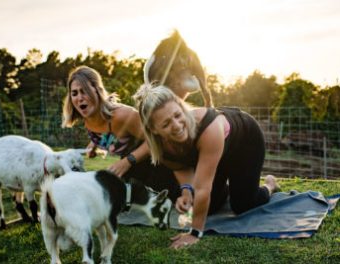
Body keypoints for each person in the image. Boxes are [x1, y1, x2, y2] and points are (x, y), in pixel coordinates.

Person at [133, 84, 279, 249]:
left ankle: (270, 185)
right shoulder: (160, 146)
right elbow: (181, 167)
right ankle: (227, 186)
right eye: (166, 124)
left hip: (245, 142)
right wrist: (187, 193)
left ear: (182, 107)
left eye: (177, 115)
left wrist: (194, 232)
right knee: (207, 207)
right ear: (154, 129)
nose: (176, 125)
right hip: (216, 154)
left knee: (243, 205)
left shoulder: (209, 128)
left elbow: (203, 189)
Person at [61, 65, 180, 202]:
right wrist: (94, 145)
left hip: (159, 164)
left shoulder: (122, 116)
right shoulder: (87, 117)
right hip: (135, 170)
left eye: (84, 91)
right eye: (74, 93)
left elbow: (156, 139)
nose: (79, 98)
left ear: (97, 90)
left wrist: (127, 162)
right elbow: (103, 133)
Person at [143, 30, 213, 107]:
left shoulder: (191, 54)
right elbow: (150, 77)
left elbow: (201, 79)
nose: (182, 62)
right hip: (159, 83)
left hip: (183, 80)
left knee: (190, 84)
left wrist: (208, 102)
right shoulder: (163, 54)